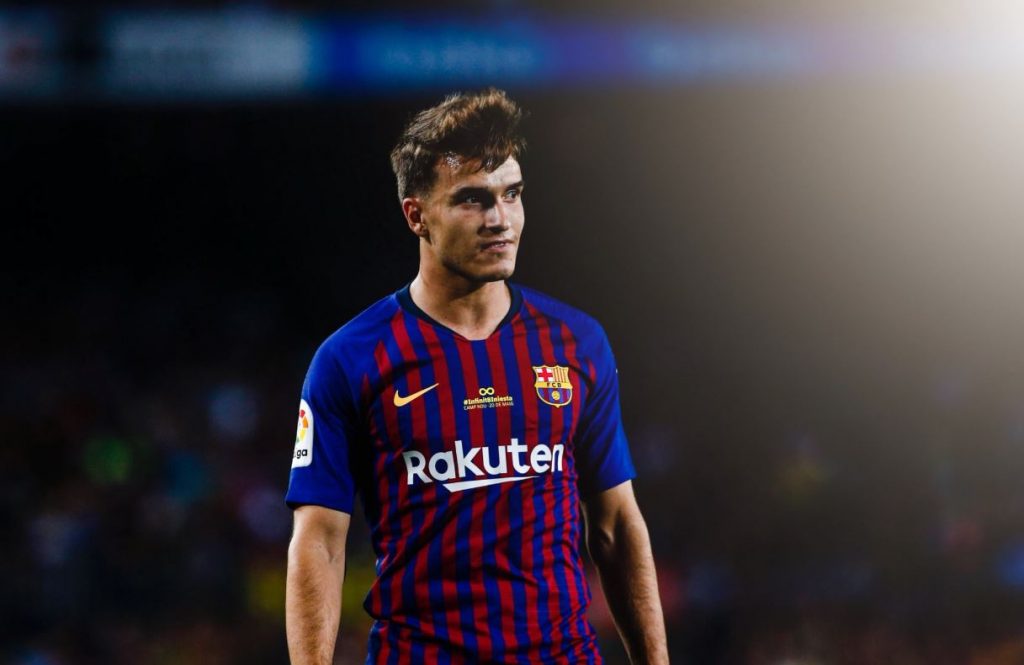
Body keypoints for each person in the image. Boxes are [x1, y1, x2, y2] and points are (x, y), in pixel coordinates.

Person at [285, 88, 669, 664]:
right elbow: (318, 542)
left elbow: (615, 525)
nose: (499, 219)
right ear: (416, 215)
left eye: (511, 194)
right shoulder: (350, 358)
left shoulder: (577, 343)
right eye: (472, 199)